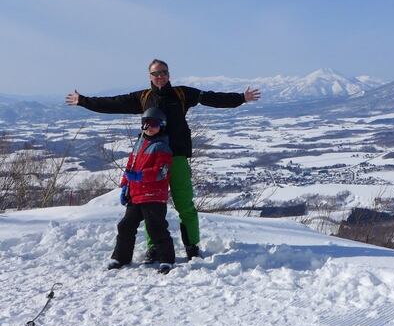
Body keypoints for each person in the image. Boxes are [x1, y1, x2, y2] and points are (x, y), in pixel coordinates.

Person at [66, 59, 261, 260]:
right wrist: (83, 101)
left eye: (163, 72)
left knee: (185, 205)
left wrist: (241, 98)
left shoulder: (182, 93)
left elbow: (210, 98)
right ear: (149, 76)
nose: (159, 76)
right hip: (150, 158)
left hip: (176, 157)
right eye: (155, 73)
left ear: (169, 74)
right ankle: (155, 249)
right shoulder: (143, 97)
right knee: (152, 206)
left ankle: (192, 246)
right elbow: (111, 103)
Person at [108, 108, 175, 274]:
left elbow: (162, 172)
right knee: (125, 226)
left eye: (154, 124)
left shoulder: (162, 147)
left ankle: (166, 259)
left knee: (155, 227)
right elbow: (130, 166)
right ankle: (121, 257)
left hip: (153, 196)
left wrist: (140, 176)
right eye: (146, 124)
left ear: (162, 126)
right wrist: (125, 185)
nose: (149, 127)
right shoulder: (140, 143)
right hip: (136, 194)